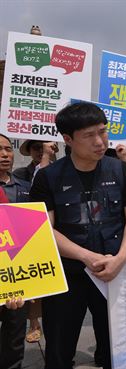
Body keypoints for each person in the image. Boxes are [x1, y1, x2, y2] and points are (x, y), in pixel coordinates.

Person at [29, 102, 126, 369]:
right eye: (89, 135)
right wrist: (86, 256)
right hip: (68, 276)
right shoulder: (48, 177)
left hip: (115, 272)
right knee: (58, 349)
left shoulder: (120, 170)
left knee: (117, 349)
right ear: (68, 139)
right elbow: (44, 229)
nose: (100, 141)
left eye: (103, 132)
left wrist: (122, 257)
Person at [0, 135, 29, 369]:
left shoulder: (25, 188)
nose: (4, 154)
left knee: (15, 332)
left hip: (17, 274)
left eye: (8, 149)